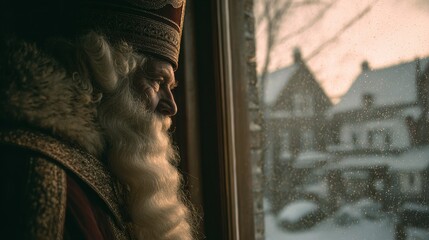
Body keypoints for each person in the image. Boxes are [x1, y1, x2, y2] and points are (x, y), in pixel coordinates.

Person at [0, 0, 196, 239]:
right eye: (157, 81)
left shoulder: (116, 172)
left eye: (171, 87)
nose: (172, 106)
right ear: (104, 73)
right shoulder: (41, 175)